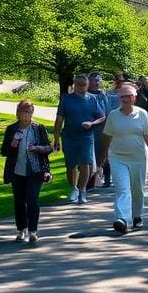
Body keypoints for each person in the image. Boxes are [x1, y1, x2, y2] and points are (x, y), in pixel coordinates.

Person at [101, 83, 148, 233]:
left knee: (137, 189)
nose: (125, 99)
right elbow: (107, 136)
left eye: (129, 96)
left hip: (137, 158)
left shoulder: (142, 114)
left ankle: (137, 216)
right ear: (119, 98)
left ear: (134, 98)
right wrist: (104, 153)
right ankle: (122, 219)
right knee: (122, 188)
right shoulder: (113, 115)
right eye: (123, 96)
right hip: (118, 157)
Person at [0, 99, 53, 243]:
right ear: (17, 113)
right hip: (17, 170)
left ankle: (33, 230)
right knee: (19, 200)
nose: (25, 114)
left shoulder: (38, 128)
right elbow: (4, 151)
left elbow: (48, 148)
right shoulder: (12, 129)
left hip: (35, 170)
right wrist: (12, 145)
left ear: (32, 113)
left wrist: (37, 148)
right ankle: (21, 229)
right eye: (23, 111)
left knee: (32, 198)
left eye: (28, 111)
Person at [53, 74, 106, 204]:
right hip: (69, 136)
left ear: (88, 85)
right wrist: (56, 138)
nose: (81, 87)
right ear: (74, 85)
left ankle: (83, 190)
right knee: (70, 164)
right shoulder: (66, 99)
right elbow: (59, 120)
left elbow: (102, 117)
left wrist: (92, 123)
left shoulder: (92, 99)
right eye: (79, 84)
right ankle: (73, 189)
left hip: (86, 137)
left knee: (85, 163)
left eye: (84, 84)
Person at [87, 72, 112, 189]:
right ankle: (90, 183)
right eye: (93, 80)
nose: (96, 83)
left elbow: (107, 112)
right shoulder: (85, 95)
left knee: (105, 153)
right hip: (89, 129)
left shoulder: (103, 95)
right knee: (91, 156)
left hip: (103, 128)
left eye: (98, 81)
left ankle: (107, 179)